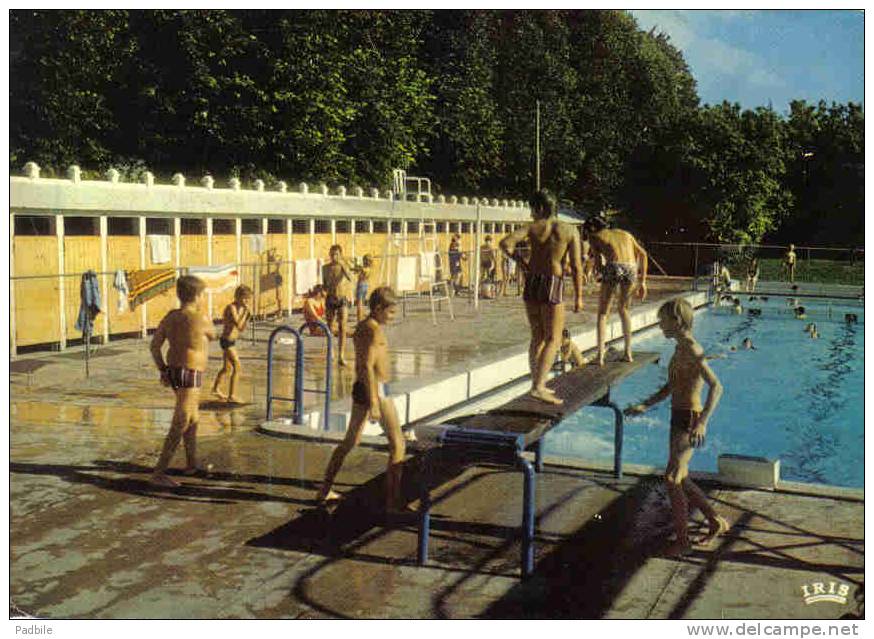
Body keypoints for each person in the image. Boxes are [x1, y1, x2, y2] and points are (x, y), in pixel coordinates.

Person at [624, 299, 728, 556]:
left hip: (690, 418)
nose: (659, 325)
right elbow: (671, 386)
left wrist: (702, 422)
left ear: (677, 321)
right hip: (677, 415)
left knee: (672, 479)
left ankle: (683, 542)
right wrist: (645, 405)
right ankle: (715, 520)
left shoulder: (692, 349)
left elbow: (717, 386)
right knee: (679, 476)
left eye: (663, 320)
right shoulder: (679, 349)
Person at [315, 287, 408, 514]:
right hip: (376, 390)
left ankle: (325, 490)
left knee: (350, 441)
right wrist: (375, 402)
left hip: (365, 389)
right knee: (398, 444)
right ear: (378, 308)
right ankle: (392, 503)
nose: (393, 317)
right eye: (391, 312)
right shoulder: (372, 330)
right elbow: (366, 366)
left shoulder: (365, 327)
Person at [499, 189, 583, 404]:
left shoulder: (532, 227)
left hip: (532, 281)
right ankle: (539, 386)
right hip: (551, 283)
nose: (530, 214)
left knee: (537, 336)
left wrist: (521, 262)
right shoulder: (569, 230)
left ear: (539, 208)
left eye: (532, 209)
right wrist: (578, 297)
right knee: (554, 338)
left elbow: (505, 244)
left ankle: (536, 384)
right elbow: (576, 265)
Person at [148, 276, 216, 487]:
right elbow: (213, 335)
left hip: (175, 371)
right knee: (182, 420)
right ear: (197, 296)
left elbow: (154, 346)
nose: (203, 298)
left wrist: (163, 370)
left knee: (193, 418)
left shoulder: (170, 317)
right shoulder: (201, 317)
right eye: (202, 294)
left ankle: (191, 464)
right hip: (191, 372)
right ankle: (159, 473)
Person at [584, 214, 648, 366]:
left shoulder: (595, 237)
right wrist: (642, 282)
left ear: (591, 229)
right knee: (624, 309)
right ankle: (628, 352)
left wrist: (599, 274)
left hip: (614, 266)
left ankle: (600, 356)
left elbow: (599, 264)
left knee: (602, 313)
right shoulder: (625, 234)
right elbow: (643, 254)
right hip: (631, 268)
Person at [211, 285, 252, 403]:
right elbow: (238, 324)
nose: (246, 301)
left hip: (232, 341)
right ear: (237, 297)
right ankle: (232, 395)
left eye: (248, 299)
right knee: (238, 368)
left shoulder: (242, 309)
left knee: (226, 368)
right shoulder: (232, 308)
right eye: (244, 298)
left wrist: (247, 316)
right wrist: (245, 314)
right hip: (227, 341)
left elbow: (242, 328)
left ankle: (215, 389)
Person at [322, 244, 354, 366]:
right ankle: (331, 351)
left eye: (336, 254)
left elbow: (350, 278)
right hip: (330, 298)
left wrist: (343, 265)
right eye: (332, 254)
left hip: (342, 298)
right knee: (329, 327)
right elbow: (325, 285)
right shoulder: (325, 268)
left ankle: (341, 354)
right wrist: (320, 290)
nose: (334, 257)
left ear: (340, 255)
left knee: (343, 327)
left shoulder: (342, 267)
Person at [354, 255, 374, 323]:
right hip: (366, 285)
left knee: (359, 304)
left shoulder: (364, 269)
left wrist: (355, 264)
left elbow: (356, 270)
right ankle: (361, 318)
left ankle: (359, 320)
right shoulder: (370, 269)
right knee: (362, 303)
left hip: (361, 285)